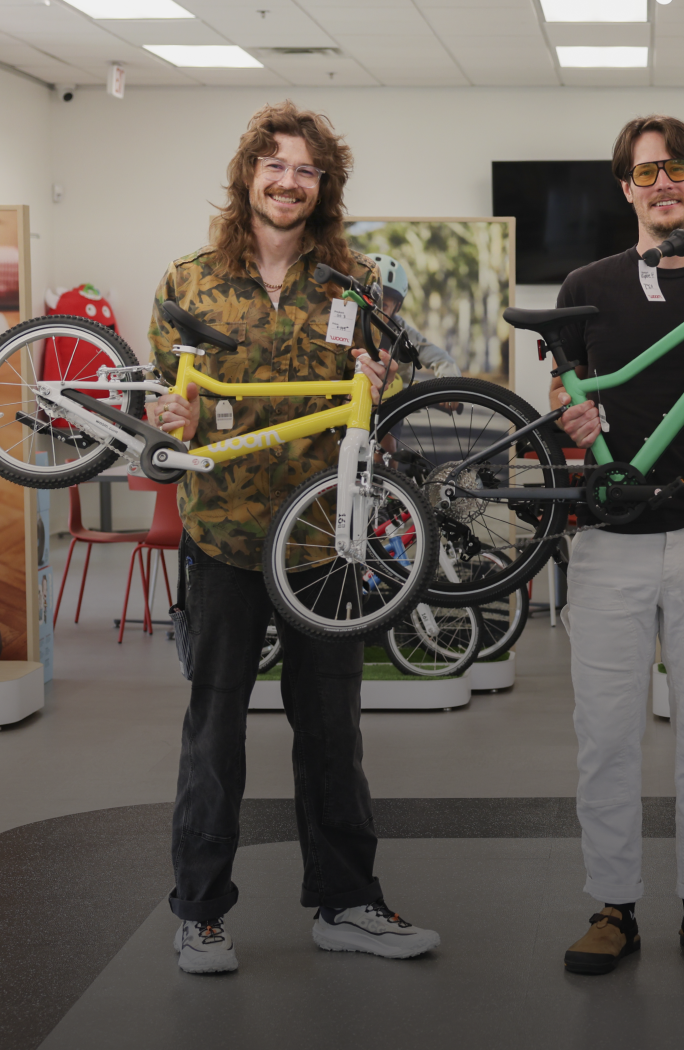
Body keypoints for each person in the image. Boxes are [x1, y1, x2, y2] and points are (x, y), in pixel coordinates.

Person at [144, 101, 437, 976]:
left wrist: (378, 386)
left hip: (323, 544)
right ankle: (199, 914)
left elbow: (374, 408)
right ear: (248, 175)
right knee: (214, 727)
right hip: (224, 531)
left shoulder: (356, 282)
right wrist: (165, 414)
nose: (289, 181)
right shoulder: (187, 282)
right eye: (275, 164)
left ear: (324, 185)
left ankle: (346, 902)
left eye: (307, 169)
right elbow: (168, 405)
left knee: (331, 728)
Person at [551, 114, 684, 976]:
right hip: (611, 543)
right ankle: (611, 905)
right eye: (647, 173)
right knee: (604, 734)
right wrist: (574, 426)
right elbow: (568, 404)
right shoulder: (587, 285)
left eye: (679, 169)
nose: (665, 183)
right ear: (626, 189)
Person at [364, 252, 462, 399]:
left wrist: (450, 385)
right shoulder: (343, 323)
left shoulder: (402, 332)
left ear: (396, 308)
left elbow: (441, 358)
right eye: (369, 301)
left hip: (389, 407)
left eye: (383, 306)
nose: (374, 311)